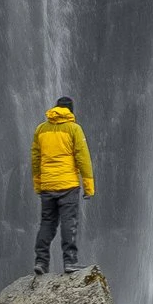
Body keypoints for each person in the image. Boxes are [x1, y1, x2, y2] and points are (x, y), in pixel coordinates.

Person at [30, 96, 94, 274]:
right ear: (71, 111)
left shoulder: (41, 129)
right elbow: (83, 159)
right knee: (69, 223)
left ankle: (41, 262)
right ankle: (69, 261)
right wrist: (88, 187)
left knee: (47, 223)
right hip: (68, 186)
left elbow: (35, 159)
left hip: (47, 185)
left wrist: (38, 184)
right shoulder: (74, 129)